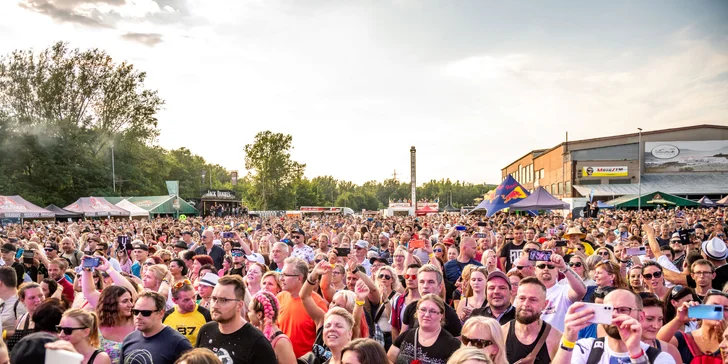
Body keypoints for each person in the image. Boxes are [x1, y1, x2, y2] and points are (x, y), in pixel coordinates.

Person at [554, 288, 674, 364]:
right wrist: (568, 339)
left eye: (623, 309)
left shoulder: (660, 358)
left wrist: (635, 352)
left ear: (641, 316)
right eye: (608, 309)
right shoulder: (586, 348)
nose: (615, 315)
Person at [195, 275, 277, 364]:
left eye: (223, 300)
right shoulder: (206, 330)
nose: (215, 305)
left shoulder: (257, 343)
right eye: (214, 298)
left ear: (239, 305)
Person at [502, 277, 562, 364]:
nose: (526, 304)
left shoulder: (556, 339)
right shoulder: (501, 333)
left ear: (545, 305)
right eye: (522, 298)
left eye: (533, 300)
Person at [388, 294, 461, 364]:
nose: (427, 315)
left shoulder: (452, 344)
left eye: (432, 311)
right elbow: (388, 360)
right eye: (423, 310)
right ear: (417, 312)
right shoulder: (405, 336)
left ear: (441, 315)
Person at [657, 289, 727, 363]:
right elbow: (657, 344)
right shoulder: (683, 339)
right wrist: (678, 320)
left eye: (725, 309)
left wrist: (723, 338)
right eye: (715, 307)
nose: (720, 312)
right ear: (702, 308)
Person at [277, 257, 328, 357]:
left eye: (285, 275)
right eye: (281, 274)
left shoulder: (317, 302)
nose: (281, 278)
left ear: (299, 278)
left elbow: (323, 338)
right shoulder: (280, 297)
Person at [121, 291, 192, 364]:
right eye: (135, 312)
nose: (138, 317)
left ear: (160, 314)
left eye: (145, 313)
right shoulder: (129, 340)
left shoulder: (178, 343)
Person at [401, 264, 462, 337]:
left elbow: (459, 342)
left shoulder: (450, 313)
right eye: (422, 282)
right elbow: (401, 339)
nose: (425, 286)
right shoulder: (410, 308)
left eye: (430, 282)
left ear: (439, 287)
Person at [536, 252, 587, 332]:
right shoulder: (528, 291)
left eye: (550, 266)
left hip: (559, 341)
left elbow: (581, 291)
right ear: (535, 270)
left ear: (557, 271)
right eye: (541, 266)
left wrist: (564, 268)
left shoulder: (564, 290)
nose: (546, 269)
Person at [247, 291, 296, 364]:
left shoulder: (281, 342)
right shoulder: (256, 334)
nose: (247, 314)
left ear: (259, 315)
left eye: (249, 311)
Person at [163, 280, 211, 345]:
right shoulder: (166, 317)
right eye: (186, 300)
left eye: (194, 297)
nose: (192, 303)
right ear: (175, 301)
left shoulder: (206, 314)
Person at [97, 286, 136, 364]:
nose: (131, 305)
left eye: (130, 300)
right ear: (111, 304)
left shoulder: (137, 324)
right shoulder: (96, 328)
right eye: (125, 301)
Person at [639, 294, 682, 364]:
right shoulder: (618, 350)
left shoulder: (670, 350)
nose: (656, 326)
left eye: (660, 319)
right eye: (649, 319)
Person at [6, 282, 44, 351]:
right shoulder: (20, 319)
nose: (38, 300)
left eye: (41, 295)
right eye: (32, 297)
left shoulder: (49, 318)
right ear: (22, 300)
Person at [0, 266, 25, 339]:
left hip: (10, 349)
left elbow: (25, 331)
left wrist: (3, 334)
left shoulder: (21, 304)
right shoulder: (2, 300)